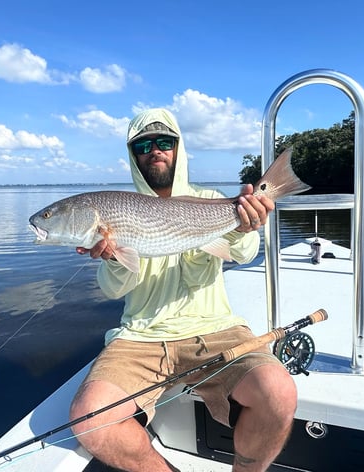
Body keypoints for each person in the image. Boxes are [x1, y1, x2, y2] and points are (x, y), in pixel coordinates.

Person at [70, 108, 297, 472]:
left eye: (164, 142)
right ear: (133, 155)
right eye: (143, 144)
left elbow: (244, 252)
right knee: (89, 417)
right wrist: (113, 259)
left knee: (279, 391)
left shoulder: (209, 198)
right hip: (140, 337)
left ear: (179, 147)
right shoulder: (116, 210)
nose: (154, 150)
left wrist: (244, 227)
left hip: (216, 328)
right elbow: (113, 290)